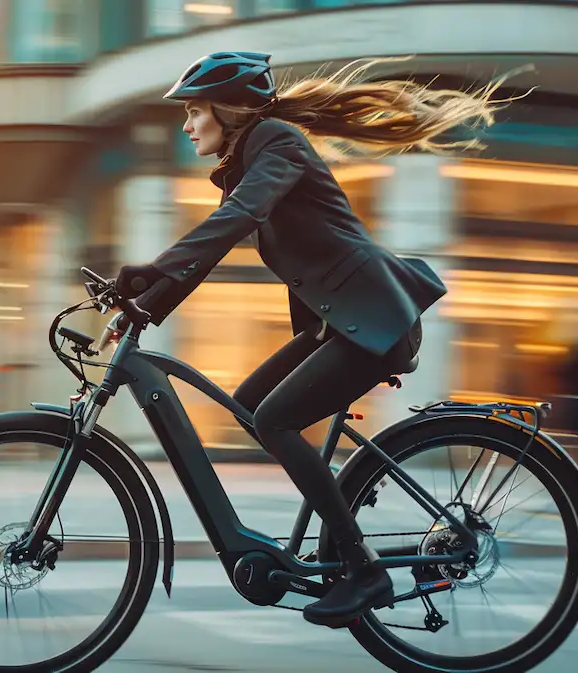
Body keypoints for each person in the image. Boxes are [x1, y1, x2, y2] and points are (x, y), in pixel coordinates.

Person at [114, 52, 511, 628]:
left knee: (275, 420)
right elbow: (213, 249)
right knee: (249, 407)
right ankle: (343, 539)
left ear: (228, 111)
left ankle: (363, 569)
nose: (186, 124)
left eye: (195, 110)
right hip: (341, 321)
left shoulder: (276, 141)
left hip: (372, 319)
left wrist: (153, 266)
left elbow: (241, 216)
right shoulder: (250, 157)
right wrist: (142, 310)